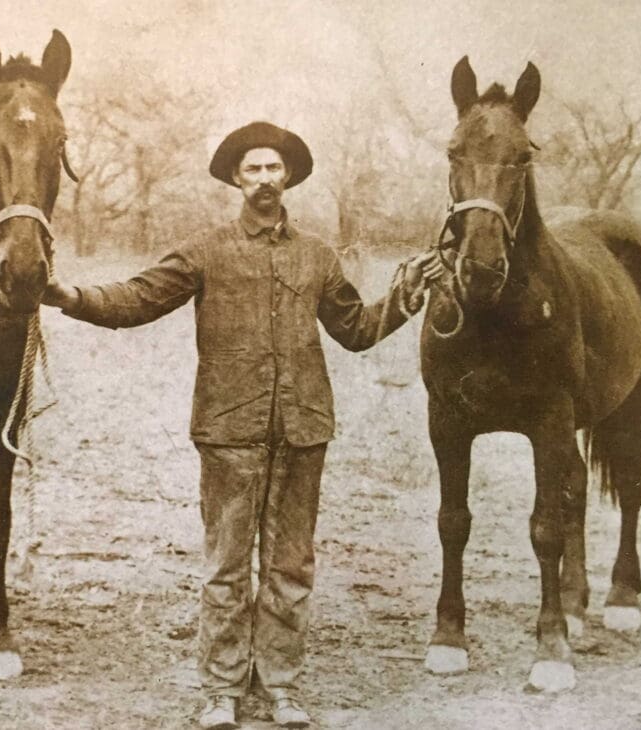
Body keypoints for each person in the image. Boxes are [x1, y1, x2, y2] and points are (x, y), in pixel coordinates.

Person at [42, 121, 440, 729]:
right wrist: (70, 295)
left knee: (291, 567)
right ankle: (222, 691)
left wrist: (407, 294)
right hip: (229, 434)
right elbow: (138, 298)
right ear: (235, 178)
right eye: (252, 169)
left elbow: (356, 330)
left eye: (273, 168)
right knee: (226, 568)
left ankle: (281, 686)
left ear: (288, 177)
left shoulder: (317, 255)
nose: (263, 179)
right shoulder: (205, 251)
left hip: (303, 431)